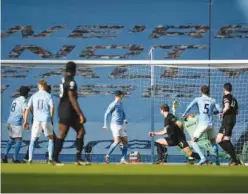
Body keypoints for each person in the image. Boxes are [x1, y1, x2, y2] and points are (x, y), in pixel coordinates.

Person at [53, 61, 87, 166]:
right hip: (67, 110)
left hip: (66, 110)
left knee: (81, 130)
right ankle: (55, 158)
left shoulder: (63, 79)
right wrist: (80, 114)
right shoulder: (71, 82)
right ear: (74, 70)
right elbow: (72, 98)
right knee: (62, 134)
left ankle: (78, 158)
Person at [182, 85, 221, 165]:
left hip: (203, 124)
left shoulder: (198, 99)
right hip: (211, 124)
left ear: (201, 91)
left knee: (193, 141)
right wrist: (214, 113)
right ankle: (217, 160)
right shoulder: (213, 100)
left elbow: (189, 106)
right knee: (213, 142)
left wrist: (184, 113)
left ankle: (202, 158)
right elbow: (219, 110)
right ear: (209, 92)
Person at [23, 80, 54, 164]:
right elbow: (52, 106)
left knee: (33, 140)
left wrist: (25, 121)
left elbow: (27, 109)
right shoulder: (48, 95)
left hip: (36, 120)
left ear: (39, 85)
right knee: (50, 138)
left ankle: (30, 159)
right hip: (46, 119)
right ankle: (50, 159)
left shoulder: (34, 95)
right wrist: (51, 118)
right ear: (45, 86)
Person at [2, 86, 30, 163]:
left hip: (9, 121)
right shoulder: (24, 101)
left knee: (11, 139)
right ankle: (15, 158)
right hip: (16, 122)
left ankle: (5, 155)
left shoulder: (15, 100)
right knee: (19, 140)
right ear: (26, 94)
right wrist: (26, 122)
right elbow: (25, 111)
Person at [216, 83, 240, 166]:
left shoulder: (226, 97)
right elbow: (237, 112)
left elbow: (227, 107)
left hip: (228, 120)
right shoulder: (234, 99)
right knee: (218, 140)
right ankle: (233, 157)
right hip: (231, 120)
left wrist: (222, 113)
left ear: (224, 89)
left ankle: (235, 160)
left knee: (226, 140)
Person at [103, 90, 128, 164]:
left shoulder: (121, 103)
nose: (123, 96)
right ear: (120, 96)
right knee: (117, 141)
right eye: (122, 95)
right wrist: (105, 124)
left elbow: (123, 113)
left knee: (125, 142)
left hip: (121, 125)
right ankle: (107, 156)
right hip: (114, 125)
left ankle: (123, 159)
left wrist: (125, 119)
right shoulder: (113, 104)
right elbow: (106, 113)